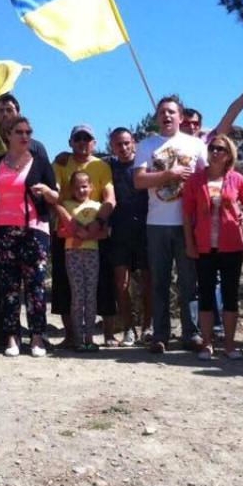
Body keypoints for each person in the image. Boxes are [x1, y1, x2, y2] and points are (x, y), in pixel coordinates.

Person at [133, 95, 208, 354]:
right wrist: (168, 174)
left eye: (171, 111)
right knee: (159, 282)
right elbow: (139, 181)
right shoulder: (147, 145)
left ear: (181, 116)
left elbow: (206, 179)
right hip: (156, 223)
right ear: (156, 117)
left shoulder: (196, 145)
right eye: (162, 111)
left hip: (187, 223)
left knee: (189, 282)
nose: (166, 115)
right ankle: (161, 334)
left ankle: (191, 333)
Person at [0, 116, 59, 357]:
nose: (25, 136)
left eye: (28, 132)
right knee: (9, 287)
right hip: (3, 230)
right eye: (19, 132)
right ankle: (12, 338)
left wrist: (46, 191)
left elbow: (56, 197)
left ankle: (37, 338)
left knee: (36, 286)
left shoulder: (41, 162)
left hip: (34, 230)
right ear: (8, 135)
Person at [182, 134, 243, 359]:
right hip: (204, 247)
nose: (215, 152)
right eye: (212, 148)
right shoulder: (195, 180)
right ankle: (207, 344)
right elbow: (187, 215)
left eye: (220, 149)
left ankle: (230, 345)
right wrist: (190, 244)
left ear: (228, 155)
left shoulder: (237, 179)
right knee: (205, 295)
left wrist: (241, 215)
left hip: (231, 246)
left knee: (230, 295)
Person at [51, 124, 116, 347]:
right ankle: (72, 336)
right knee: (66, 286)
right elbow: (54, 197)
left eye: (86, 138)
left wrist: (98, 224)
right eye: (77, 138)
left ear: (94, 143)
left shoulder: (102, 165)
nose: (82, 142)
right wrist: (71, 225)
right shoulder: (61, 163)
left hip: (96, 231)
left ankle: (102, 334)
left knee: (101, 285)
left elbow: (110, 198)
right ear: (70, 142)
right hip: (67, 233)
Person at [106, 127, 152, 346]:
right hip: (120, 231)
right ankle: (128, 329)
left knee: (148, 282)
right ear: (112, 146)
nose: (123, 147)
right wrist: (64, 155)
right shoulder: (108, 166)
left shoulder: (145, 165)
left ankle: (148, 327)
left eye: (126, 143)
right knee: (121, 284)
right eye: (118, 144)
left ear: (134, 142)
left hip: (145, 229)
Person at [55, 171, 108, 350]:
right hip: (73, 253)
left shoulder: (98, 206)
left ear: (91, 187)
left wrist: (86, 236)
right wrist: (75, 235)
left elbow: (104, 233)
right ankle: (77, 339)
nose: (81, 190)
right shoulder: (66, 205)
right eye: (77, 187)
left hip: (92, 253)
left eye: (84, 186)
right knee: (77, 295)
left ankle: (90, 339)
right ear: (71, 189)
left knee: (90, 295)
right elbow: (60, 232)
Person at [180, 62, 243, 141]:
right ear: (179, 124)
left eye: (195, 123)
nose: (191, 127)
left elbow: (232, 113)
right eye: (186, 123)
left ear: (200, 126)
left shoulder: (208, 141)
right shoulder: (172, 144)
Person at [0, 93, 50, 171]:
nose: (5, 114)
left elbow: (46, 176)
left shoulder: (35, 147)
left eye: (9, 110)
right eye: (1, 110)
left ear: (18, 114)